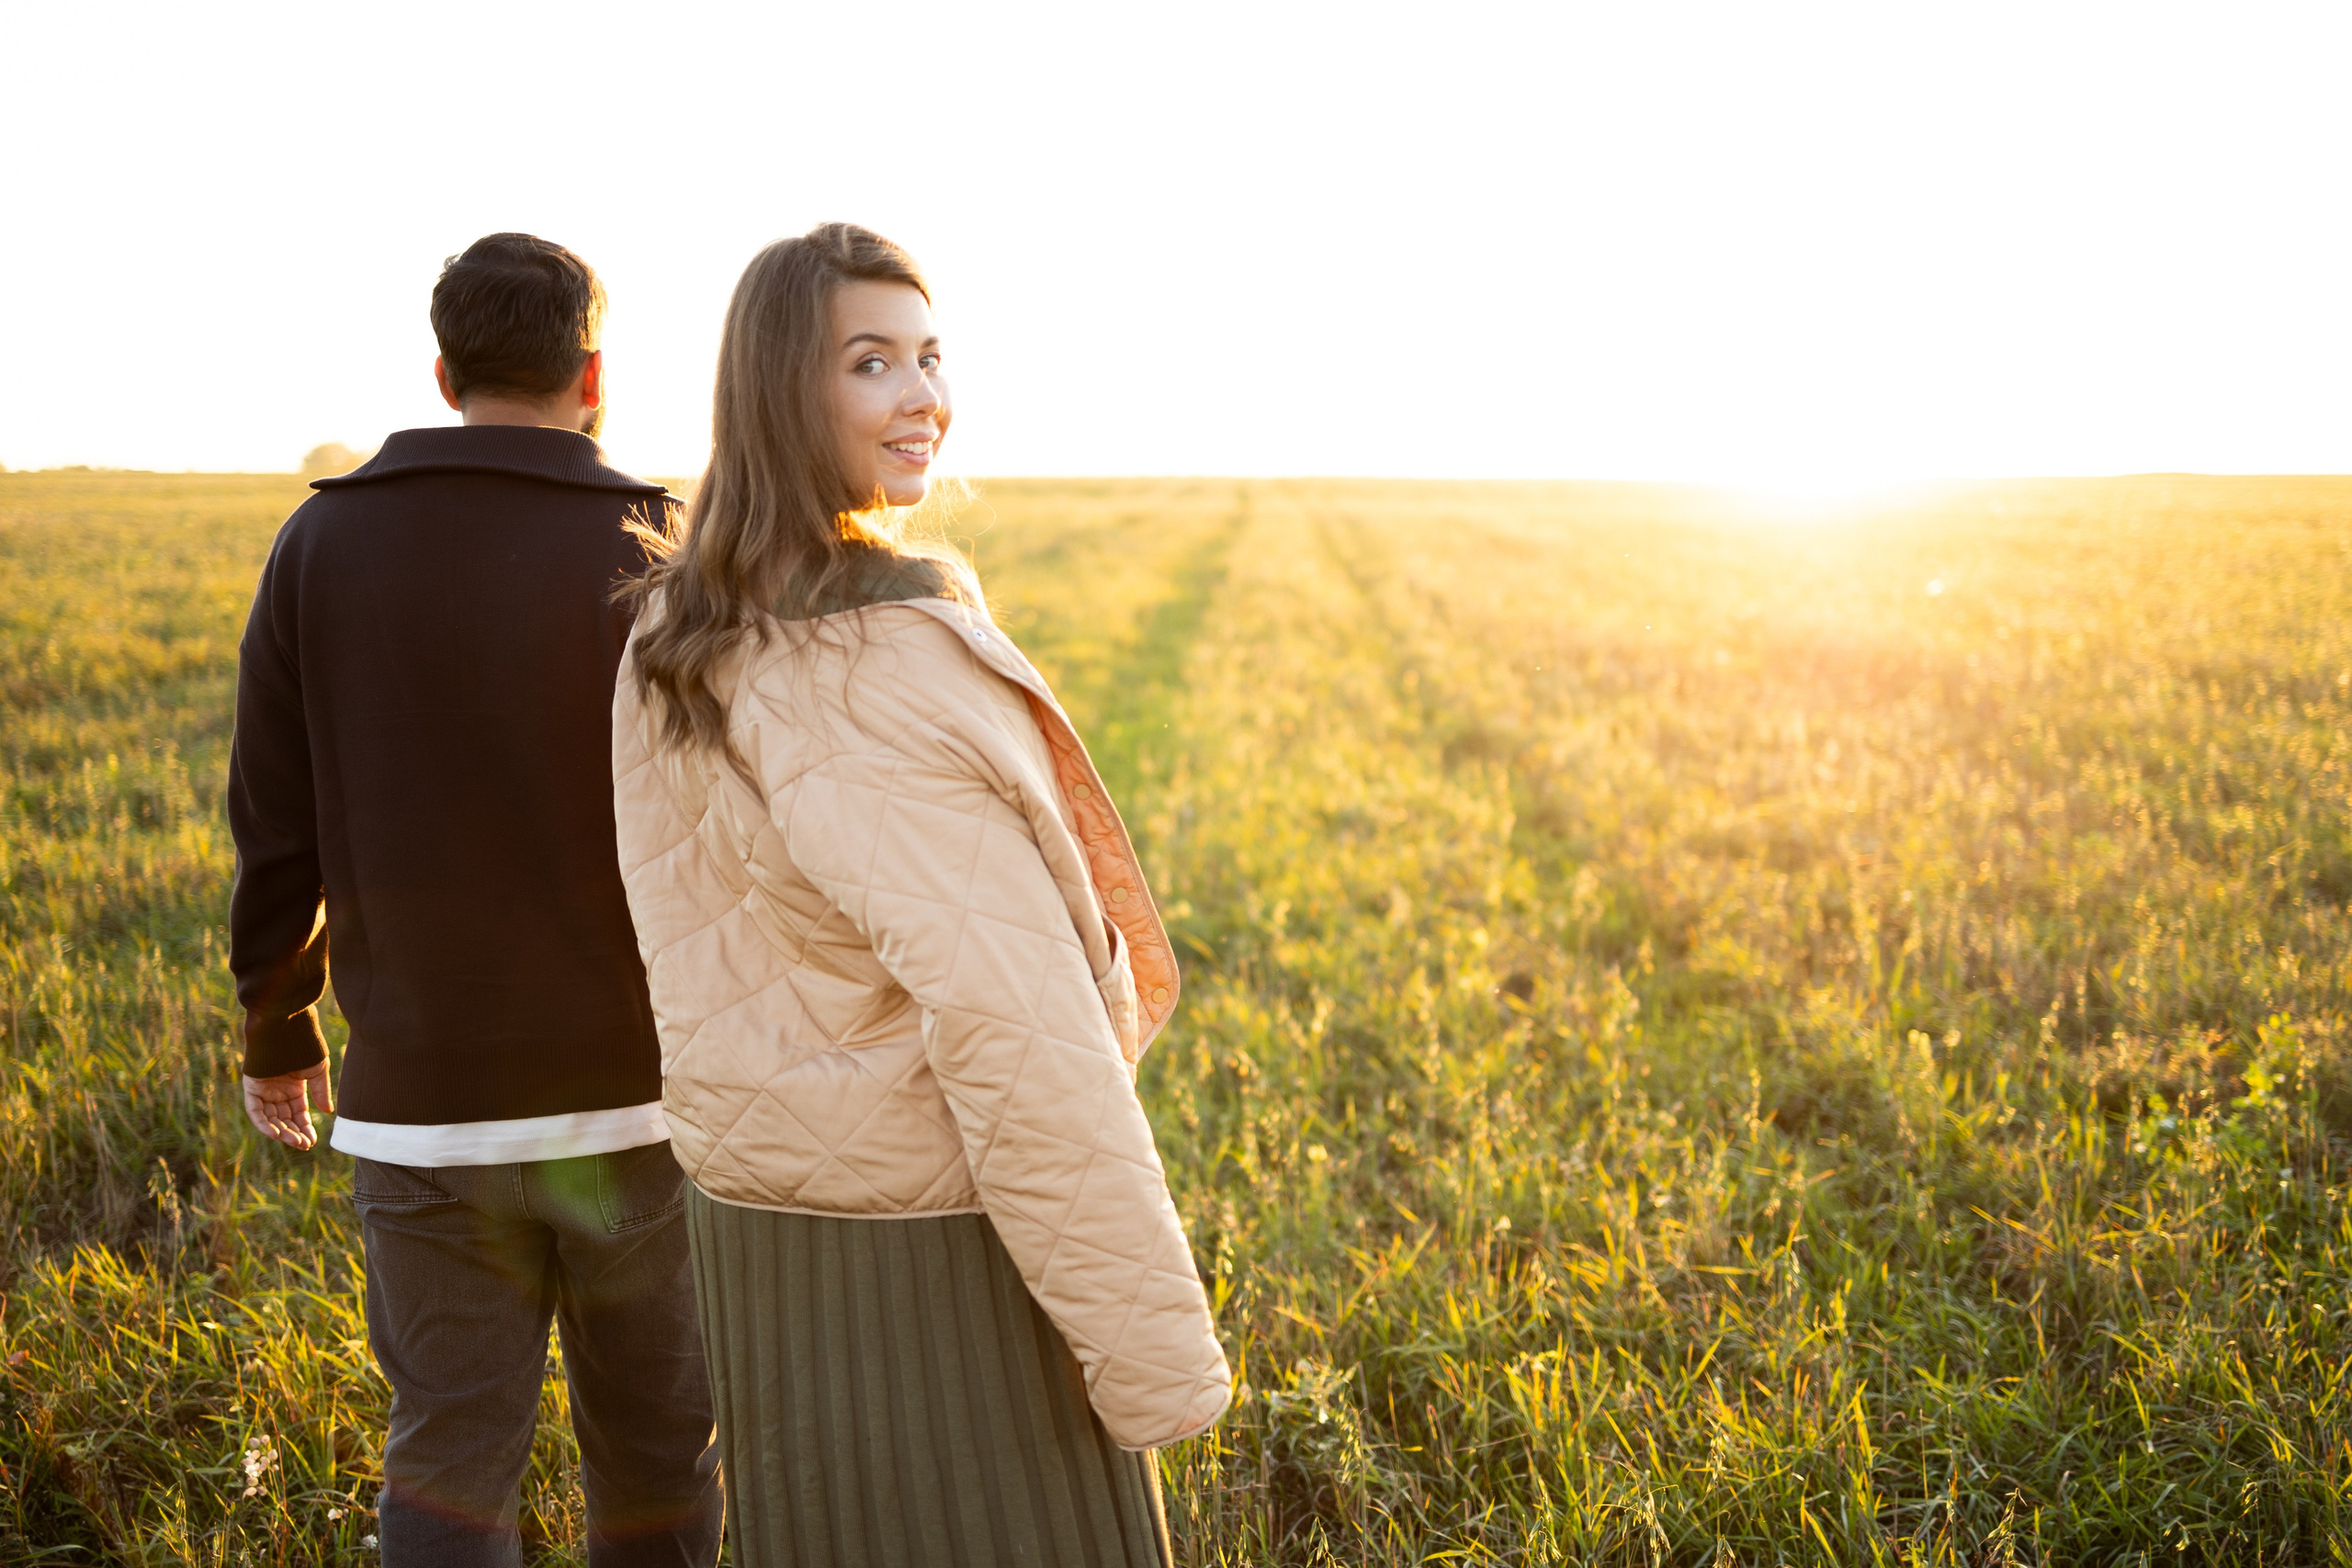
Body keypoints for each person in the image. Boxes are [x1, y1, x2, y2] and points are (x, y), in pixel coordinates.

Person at [613, 222, 1231, 1567]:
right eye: (872, 362)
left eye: (932, 355)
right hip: (936, 1248)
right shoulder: (874, 659)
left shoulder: (683, 625)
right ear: (786, 392)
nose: (922, 396)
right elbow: (1018, 1028)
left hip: (763, 1229)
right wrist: (1152, 1355)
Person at [230, 232, 722, 1566]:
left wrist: (280, 1032)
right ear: (595, 373)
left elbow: (274, 826)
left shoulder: (319, 542)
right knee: (663, 1459)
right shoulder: (668, 546)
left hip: (425, 1114)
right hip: (652, 1107)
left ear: (443, 373)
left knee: (446, 1461)